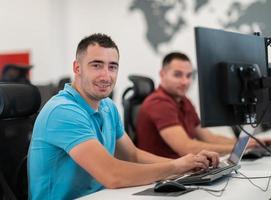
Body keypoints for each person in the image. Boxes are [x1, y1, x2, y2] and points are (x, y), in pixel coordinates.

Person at [28, 34, 219, 199]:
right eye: (96, 65)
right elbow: (112, 175)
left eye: (112, 67)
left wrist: (189, 163)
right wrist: (176, 167)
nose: (106, 76)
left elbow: (133, 155)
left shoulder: (107, 107)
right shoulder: (62, 111)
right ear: (77, 68)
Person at [136, 52, 271, 159]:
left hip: (180, 171)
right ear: (162, 74)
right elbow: (185, 148)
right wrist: (240, 147)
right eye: (178, 75)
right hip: (163, 178)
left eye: (188, 75)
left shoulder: (183, 101)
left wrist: (249, 142)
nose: (185, 81)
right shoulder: (159, 103)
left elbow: (208, 137)